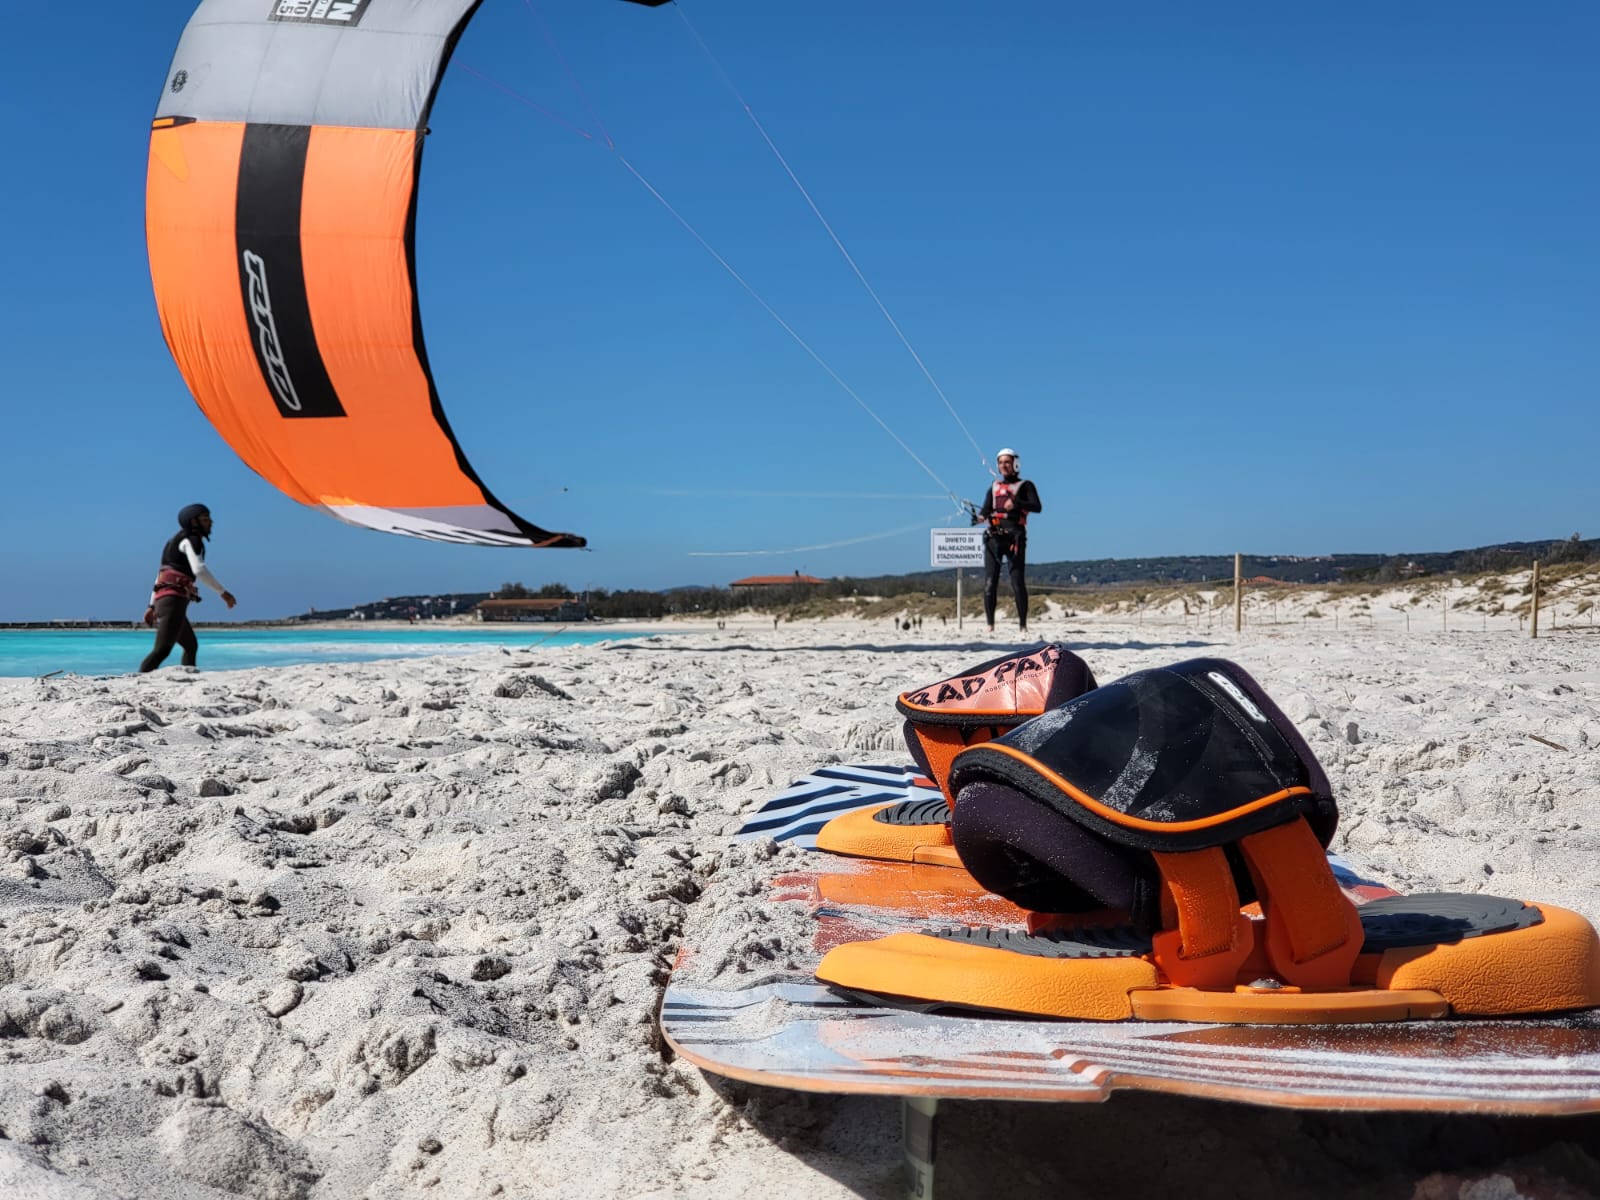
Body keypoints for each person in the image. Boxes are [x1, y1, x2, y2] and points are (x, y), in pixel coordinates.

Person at [139, 504, 237, 673]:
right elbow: (199, 569)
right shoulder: (191, 539)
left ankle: (190, 679)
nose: (211, 523)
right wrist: (223, 592)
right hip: (172, 601)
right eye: (206, 519)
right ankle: (138, 680)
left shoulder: (173, 541)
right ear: (194, 522)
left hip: (168, 600)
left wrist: (152, 605)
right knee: (162, 650)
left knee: (190, 645)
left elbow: (160, 575)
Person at [973, 447, 1041, 632]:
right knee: (990, 582)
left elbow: (1037, 506)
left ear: (1015, 464)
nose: (1004, 466)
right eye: (1001, 462)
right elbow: (986, 510)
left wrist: (1017, 503)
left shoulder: (1025, 486)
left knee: (1017, 581)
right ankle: (990, 625)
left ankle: (1023, 625)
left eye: (1007, 462)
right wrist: (979, 518)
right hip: (994, 538)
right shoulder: (994, 488)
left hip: (1015, 537)